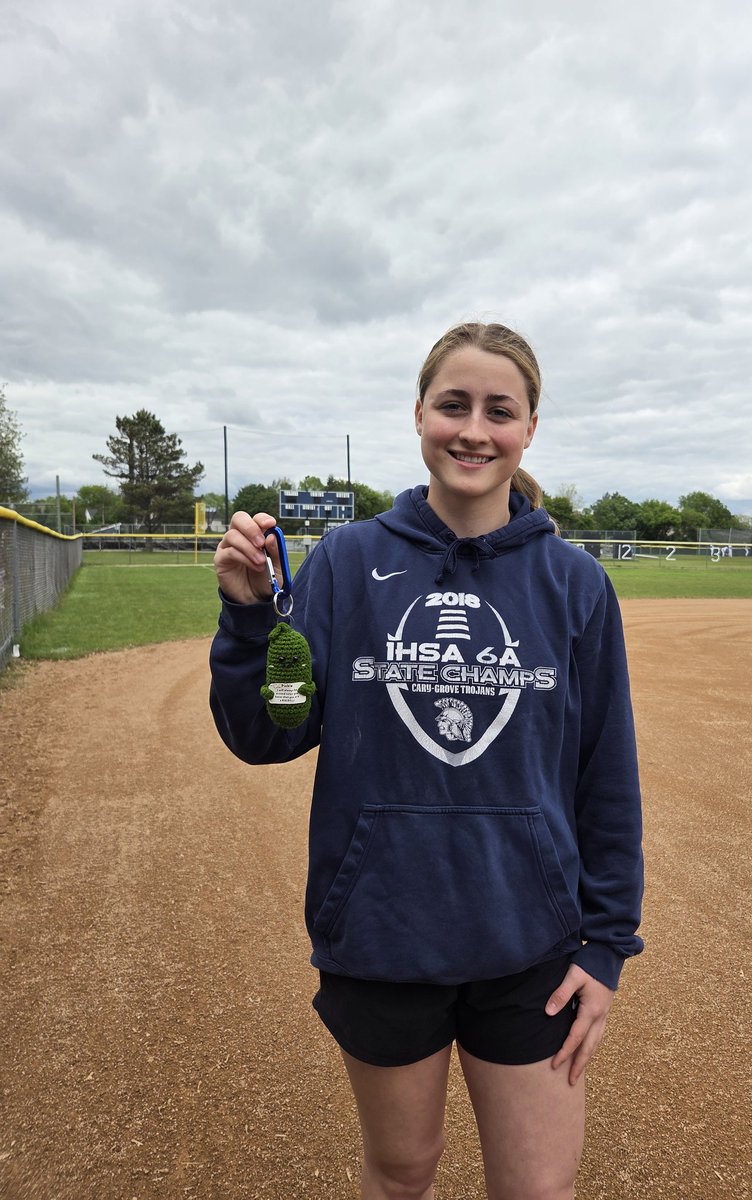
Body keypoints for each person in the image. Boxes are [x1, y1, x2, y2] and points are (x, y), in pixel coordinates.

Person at [209, 321, 643, 1200]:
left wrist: (606, 945)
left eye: (499, 410)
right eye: (453, 404)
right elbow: (270, 733)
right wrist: (251, 623)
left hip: (532, 946)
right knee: (401, 1170)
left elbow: (607, 776)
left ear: (527, 430)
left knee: (537, 1188)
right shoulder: (347, 561)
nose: (473, 429)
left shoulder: (575, 584)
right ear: (418, 415)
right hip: (382, 932)